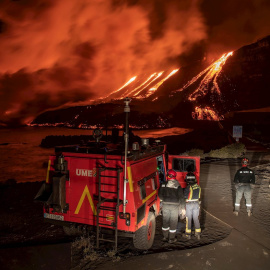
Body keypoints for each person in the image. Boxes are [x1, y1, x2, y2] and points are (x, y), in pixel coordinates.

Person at [158, 169, 185, 243]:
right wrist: (183, 208)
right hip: (175, 207)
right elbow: (181, 197)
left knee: (165, 221)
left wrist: (164, 200)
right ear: (174, 176)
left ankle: (165, 237)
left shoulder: (163, 184)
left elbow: (160, 194)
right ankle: (171, 239)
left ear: (168, 176)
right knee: (173, 222)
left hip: (165, 205)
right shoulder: (178, 185)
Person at [183, 169, 201, 240]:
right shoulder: (198, 187)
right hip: (196, 203)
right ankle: (198, 233)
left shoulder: (188, 187)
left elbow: (185, 196)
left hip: (189, 204)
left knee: (188, 219)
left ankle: (188, 234)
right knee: (196, 218)